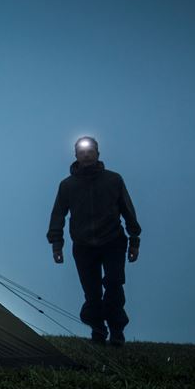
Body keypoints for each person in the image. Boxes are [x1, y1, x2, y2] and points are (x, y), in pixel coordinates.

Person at [47, 136, 141, 347]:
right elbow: (58, 214)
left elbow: (127, 208)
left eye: (91, 151)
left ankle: (117, 332)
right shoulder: (67, 185)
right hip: (83, 245)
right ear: (76, 155)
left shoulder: (113, 180)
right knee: (92, 291)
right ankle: (98, 331)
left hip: (113, 241)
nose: (87, 154)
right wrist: (56, 244)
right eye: (82, 151)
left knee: (114, 285)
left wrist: (134, 239)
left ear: (98, 154)